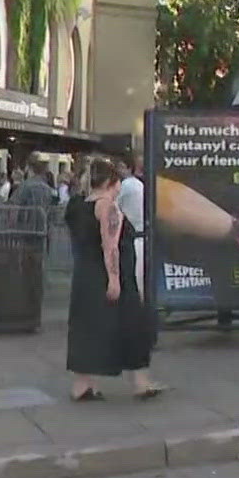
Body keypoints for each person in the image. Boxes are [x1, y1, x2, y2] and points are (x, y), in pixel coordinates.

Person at [64, 159, 162, 400]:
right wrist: (114, 280)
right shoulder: (108, 207)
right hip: (109, 277)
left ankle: (83, 385)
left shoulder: (77, 206)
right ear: (110, 182)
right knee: (133, 325)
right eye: (117, 181)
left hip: (84, 276)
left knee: (87, 329)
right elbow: (111, 248)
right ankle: (141, 381)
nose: (120, 187)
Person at [115, 150, 146, 292]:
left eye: (121, 167)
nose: (118, 171)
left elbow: (114, 205)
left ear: (129, 168)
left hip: (133, 238)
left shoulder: (125, 185)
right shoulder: (139, 185)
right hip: (141, 236)